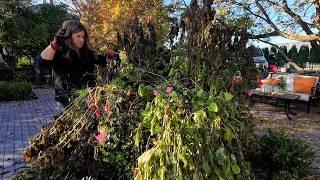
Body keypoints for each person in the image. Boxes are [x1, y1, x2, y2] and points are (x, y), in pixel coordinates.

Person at [36, 20, 116, 106]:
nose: (82, 40)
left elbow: (103, 61)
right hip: (66, 102)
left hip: (89, 99)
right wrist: (55, 44)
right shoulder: (59, 52)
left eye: (83, 37)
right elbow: (40, 65)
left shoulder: (87, 53)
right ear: (69, 36)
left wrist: (110, 56)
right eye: (78, 36)